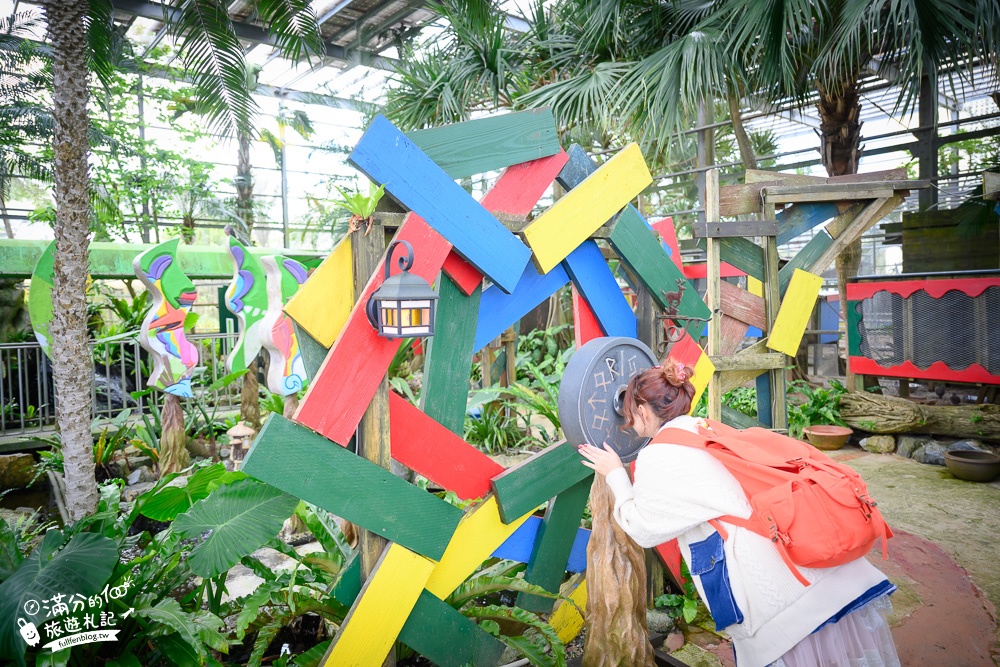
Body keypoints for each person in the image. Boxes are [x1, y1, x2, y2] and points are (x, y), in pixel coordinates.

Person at [577, 360, 900, 667]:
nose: (629, 423)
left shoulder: (659, 455)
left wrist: (616, 473)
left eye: (631, 413)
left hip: (780, 585)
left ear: (644, 411)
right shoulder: (702, 427)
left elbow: (643, 528)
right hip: (813, 562)